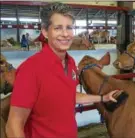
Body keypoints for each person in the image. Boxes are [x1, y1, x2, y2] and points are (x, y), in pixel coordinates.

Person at [6, 2, 121, 138]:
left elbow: (68, 95)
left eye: (69, 27)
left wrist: (103, 97)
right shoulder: (31, 69)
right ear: (45, 31)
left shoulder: (70, 62)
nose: (65, 34)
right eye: (58, 28)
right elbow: (14, 125)